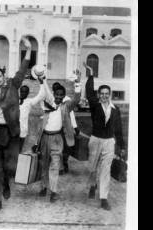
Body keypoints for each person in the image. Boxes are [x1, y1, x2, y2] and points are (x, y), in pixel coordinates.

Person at [0, 36, 31, 212]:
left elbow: (22, 72)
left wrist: (29, 51)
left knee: (10, 166)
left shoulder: (13, 88)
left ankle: (6, 183)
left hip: (10, 133)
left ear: (4, 76)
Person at [84, 62, 126, 210]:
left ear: (110, 95)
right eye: (101, 94)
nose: (104, 96)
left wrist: (121, 146)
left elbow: (119, 129)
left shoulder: (115, 110)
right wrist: (90, 75)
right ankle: (92, 185)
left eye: (106, 94)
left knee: (105, 169)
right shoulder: (95, 105)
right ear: (99, 95)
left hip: (109, 142)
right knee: (92, 167)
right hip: (95, 140)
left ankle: (103, 198)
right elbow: (89, 92)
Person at [37, 77, 81, 202]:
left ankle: (53, 191)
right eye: (57, 94)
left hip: (57, 138)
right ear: (54, 94)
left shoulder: (65, 107)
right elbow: (44, 91)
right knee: (44, 164)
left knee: (55, 165)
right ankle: (44, 186)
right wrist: (42, 80)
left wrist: (77, 83)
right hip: (45, 137)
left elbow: (77, 99)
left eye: (61, 95)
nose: (58, 97)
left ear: (64, 97)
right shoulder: (47, 105)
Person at [50, 82, 80, 174]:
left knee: (66, 149)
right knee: (56, 150)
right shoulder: (50, 102)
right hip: (55, 131)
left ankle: (64, 164)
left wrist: (75, 127)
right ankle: (59, 167)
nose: (59, 96)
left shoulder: (66, 102)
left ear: (64, 95)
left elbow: (72, 113)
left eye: (61, 94)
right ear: (53, 92)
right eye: (56, 92)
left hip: (65, 129)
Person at [18, 65, 47, 152]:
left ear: (27, 93)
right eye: (22, 91)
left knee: (19, 150)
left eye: (25, 92)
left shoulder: (29, 102)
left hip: (23, 130)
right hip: (12, 130)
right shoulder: (14, 100)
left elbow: (41, 95)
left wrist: (42, 83)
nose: (23, 93)